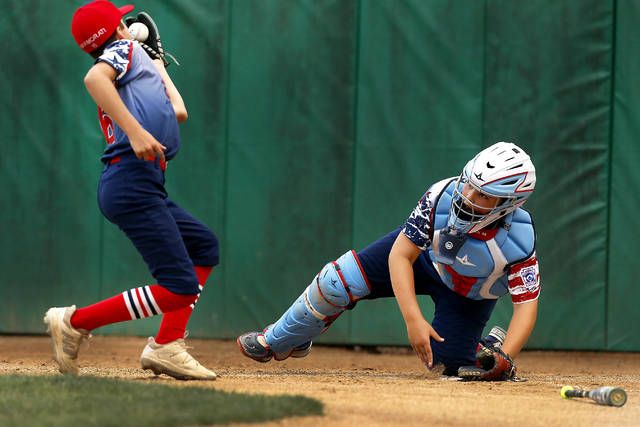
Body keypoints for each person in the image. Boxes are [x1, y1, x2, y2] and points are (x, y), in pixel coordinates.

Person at [238, 142, 540, 380]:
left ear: (509, 203)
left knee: (450, 363)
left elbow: (526, 307)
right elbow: (400, 255)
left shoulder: (518, 240)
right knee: (339, 280)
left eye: (484, 195)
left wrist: (506, 358)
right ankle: (279, 339)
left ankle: (486, 347)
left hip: (467, 293)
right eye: (470, 183)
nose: (468, 195)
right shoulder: (440, 196)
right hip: (422, 258)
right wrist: (413, 320)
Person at [43, 0, 219, 380]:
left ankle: (167, 345)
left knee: (204, 245)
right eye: (122, 21)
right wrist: (137, 132)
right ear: (119, 30)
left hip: (140, 183)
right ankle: (76, 322)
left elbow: (178, 111)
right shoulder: (119, 53)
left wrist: (157, 60)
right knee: (179, 288)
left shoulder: (131, 64)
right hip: (131, 181)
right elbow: (93, 80)